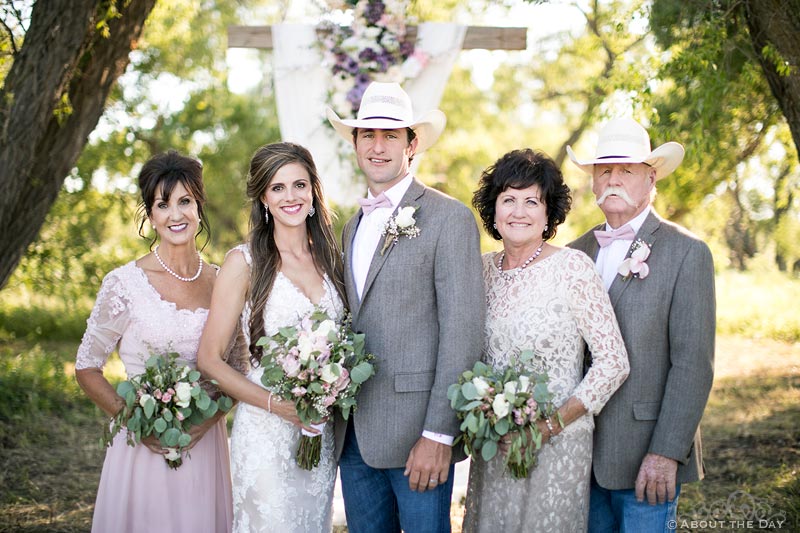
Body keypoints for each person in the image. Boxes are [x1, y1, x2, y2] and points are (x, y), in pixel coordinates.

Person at [325, 81, 485, 533]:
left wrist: (439, 434)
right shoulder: (351, 225)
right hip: (354, 436)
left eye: (390, 135)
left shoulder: (448, 218)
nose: (377, 146)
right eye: (367, 135)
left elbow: (463, 330)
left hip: (419, 434)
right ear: (355, 144)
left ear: (412, 145)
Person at [462, 148, 630, 532]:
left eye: (531, 201)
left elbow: (613, 362)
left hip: (556, 445)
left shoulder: (572, 267)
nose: (518, 212)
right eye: (508, 200)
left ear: (548, 212)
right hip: (495, 445)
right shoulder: (481, 269)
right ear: (493, 209)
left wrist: (549, 426)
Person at [567, 118, 715, 532]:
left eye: (626, 170)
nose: (613, 179)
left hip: (647, 455)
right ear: (594, 183)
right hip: (581, 456)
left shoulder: (687, 253)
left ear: (651, 179)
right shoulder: (573, 253)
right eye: (604, 170)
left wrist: (667, 452)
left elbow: (693, 365)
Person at [75, 150, 233, 533]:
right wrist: (135, 423)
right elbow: (87, 367)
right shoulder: (124, 283)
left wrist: (208, 419)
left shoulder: (223, 281)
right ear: (150, 214)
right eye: (163, 205)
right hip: (142, 446)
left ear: (199, 206)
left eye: (185, 201)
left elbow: (239, 365)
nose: (175, 215)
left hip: (206, 443)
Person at [196, 142, 346, 533]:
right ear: (263, 197)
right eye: (277, 188)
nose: (290, 196)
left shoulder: (333, 261)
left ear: (313, 190)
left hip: (318, 434)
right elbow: (209, 359)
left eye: (299, 184)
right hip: (265, 432)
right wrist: (275, 404)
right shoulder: (243, 262)